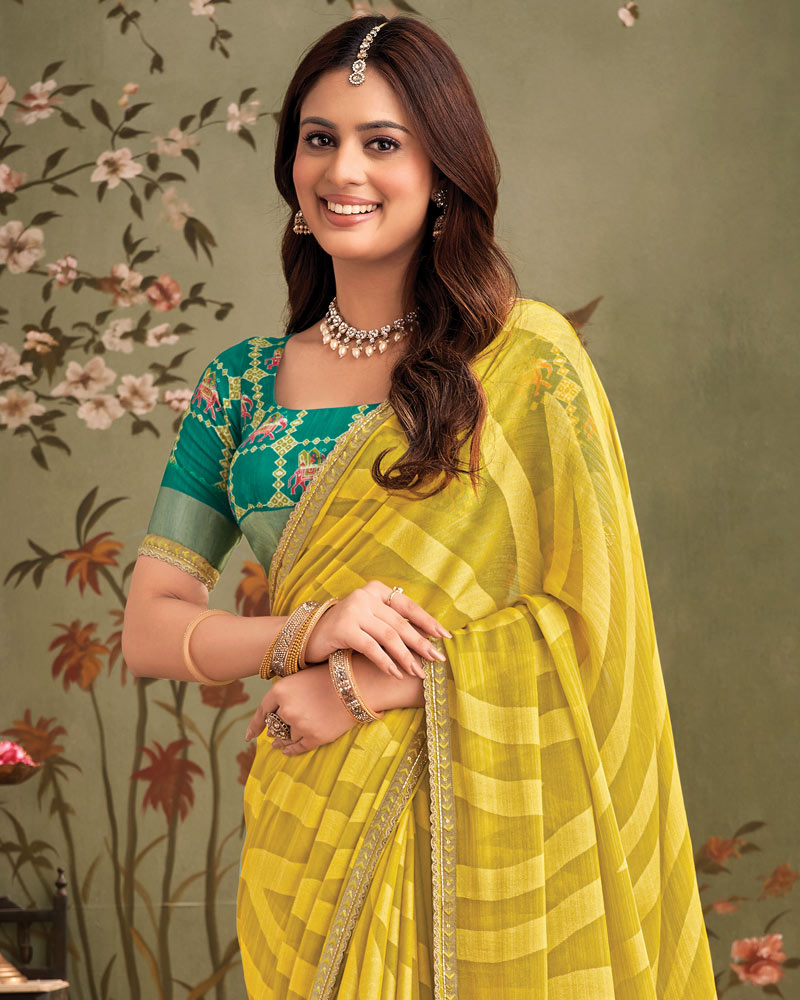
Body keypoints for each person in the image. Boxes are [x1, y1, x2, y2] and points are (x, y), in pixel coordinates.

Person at [122, 14, 717, 1000]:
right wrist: (309, 630)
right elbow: (150, 628)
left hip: (489, 850)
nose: (342, 170)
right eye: (319, 138)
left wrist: (361, 687)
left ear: (441, 172)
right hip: (305, 835)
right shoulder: (240, 385)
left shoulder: (526, 364)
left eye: (382, 142)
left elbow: (592, 625)